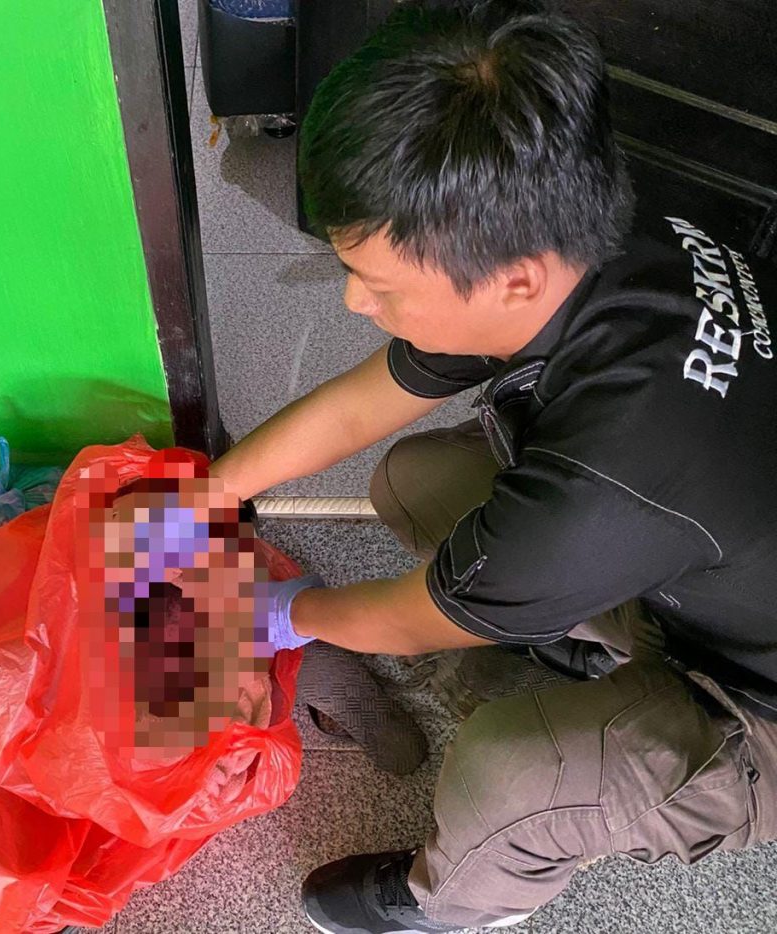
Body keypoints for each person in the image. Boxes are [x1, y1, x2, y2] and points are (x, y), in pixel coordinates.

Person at [204, 1, 777, 931]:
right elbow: (365, 402)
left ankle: (457, 901)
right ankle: (560, 634)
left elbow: (406, 625)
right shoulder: (587, 228)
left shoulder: (602, 482)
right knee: (412, 483)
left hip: (756, 695)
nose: (353, 302)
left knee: (510, 772)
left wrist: (272, 617)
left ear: (514, 280)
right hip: (708, 555)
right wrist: (209, 492)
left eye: (380, 285)